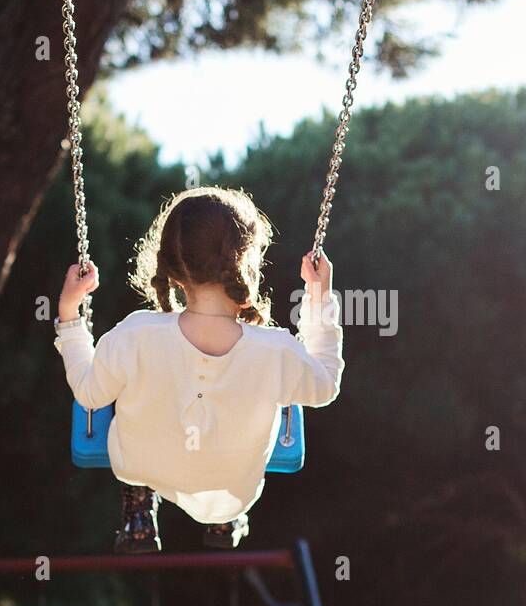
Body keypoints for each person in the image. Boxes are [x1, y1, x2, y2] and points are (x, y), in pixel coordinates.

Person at [54, 186, 343, 552]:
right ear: (248, 263)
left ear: (172, 270)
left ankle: (139, 504)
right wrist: (319, 299)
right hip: (233, 489)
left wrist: (69, 315)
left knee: (124, 405)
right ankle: (224, 519)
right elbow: (325, 384)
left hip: (141, 464)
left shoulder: (134, 334)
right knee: (275, 392)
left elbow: (88, 393)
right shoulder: (275, 350)